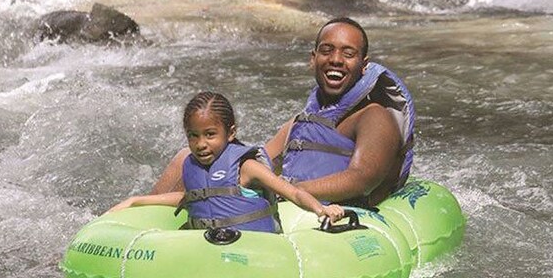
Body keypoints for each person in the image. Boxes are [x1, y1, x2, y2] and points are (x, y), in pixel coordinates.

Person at [151, 17, 414, 208]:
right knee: (187, 157)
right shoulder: (300, 122)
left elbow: (361, 180)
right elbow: (255, 161)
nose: (335, 59)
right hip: (292, 203)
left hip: (334, 213)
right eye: (327, 50)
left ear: (364, 66)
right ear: (313, 58)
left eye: (348, 53)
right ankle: (144, 220)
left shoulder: (374, 117)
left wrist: (287, 191)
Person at [110, 91, 345, 231]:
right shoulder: (192, 165)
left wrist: (321, 209)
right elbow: (189, 198)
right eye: (193, 135)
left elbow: (292, 193)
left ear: (230, 133)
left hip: (251, 251)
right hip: (208, 249)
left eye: (210, 134)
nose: (201, 144)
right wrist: (136, 201)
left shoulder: (247, 167)